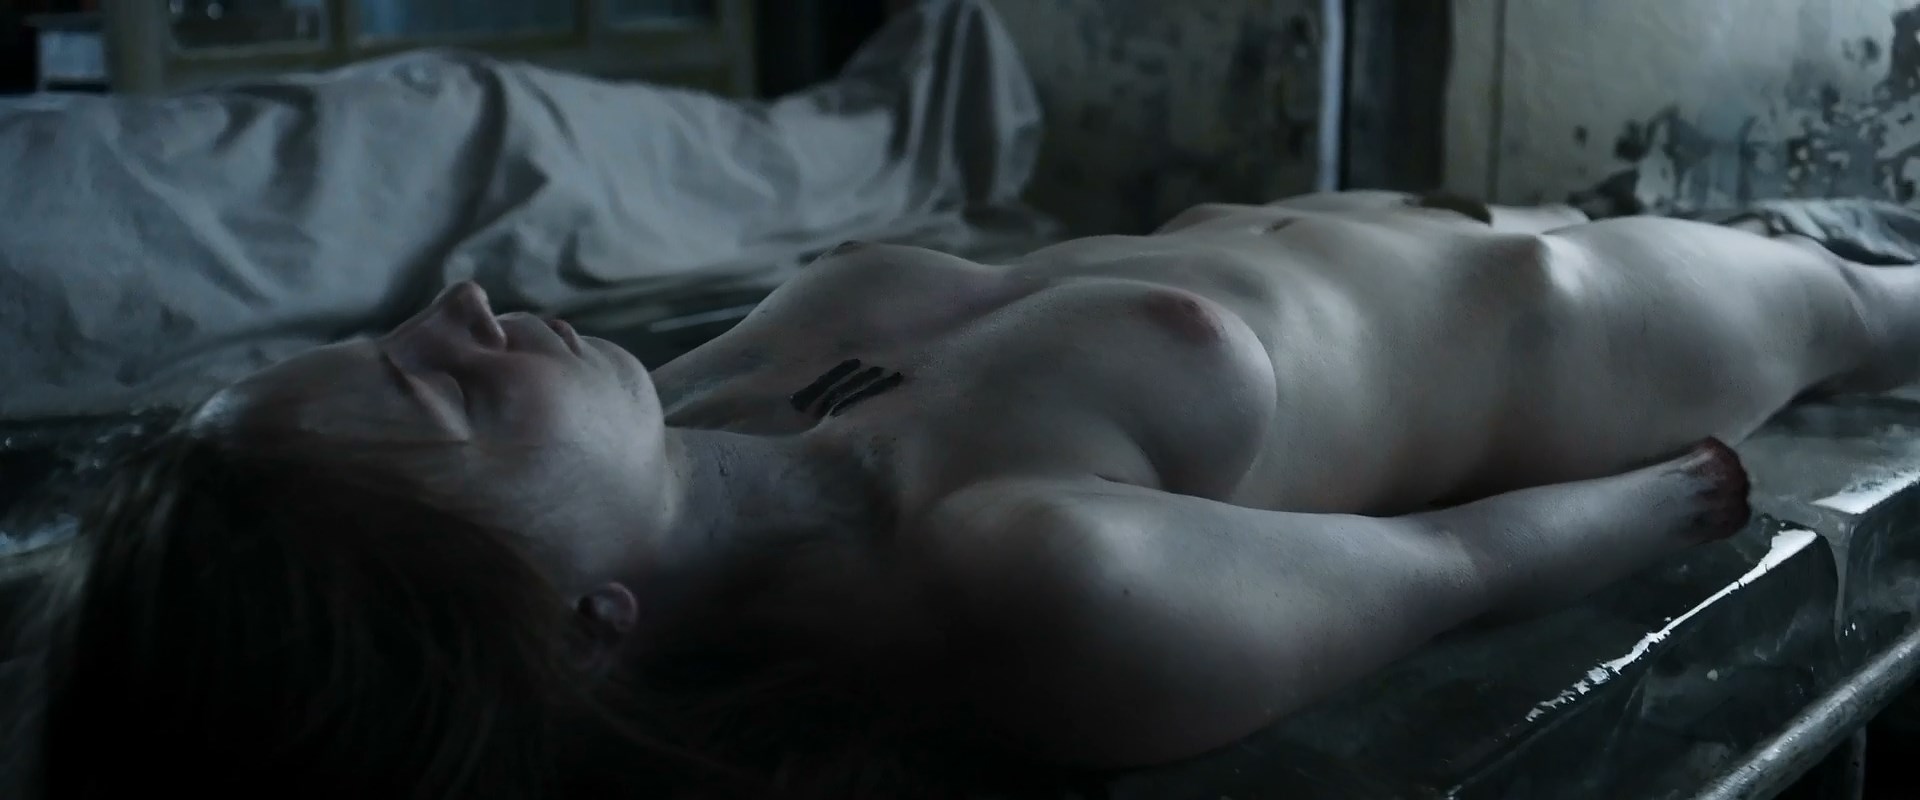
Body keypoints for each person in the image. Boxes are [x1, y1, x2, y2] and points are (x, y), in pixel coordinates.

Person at [28, 190, 1917, 798]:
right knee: (1869, 303)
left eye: (401, 339)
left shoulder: (686, 420)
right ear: (575, 623)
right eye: (446, 393)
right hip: (1565, 330)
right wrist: (1678, 496)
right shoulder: (1028, 579)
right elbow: (1435, 569)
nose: (460, 308)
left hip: (1396, 228)